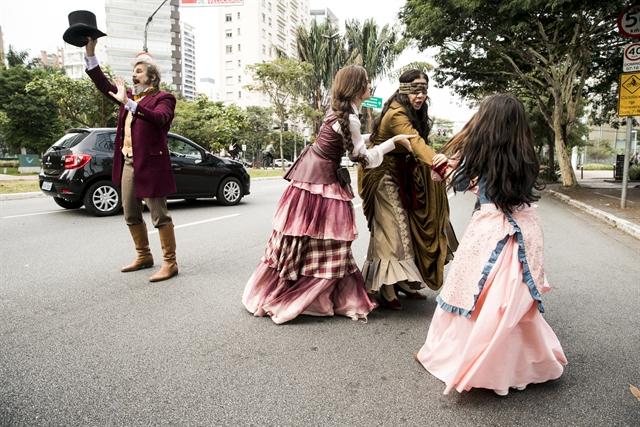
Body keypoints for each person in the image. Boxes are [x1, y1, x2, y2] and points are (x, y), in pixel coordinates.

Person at [415, 94, 567, 396]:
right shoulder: (525, 158)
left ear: (487, 124)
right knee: (512, 306)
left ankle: (475, 364)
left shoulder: (478, 156)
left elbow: (456, 183)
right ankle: (519, 365)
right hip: (522, 236)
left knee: (476, 299)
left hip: (490, 234)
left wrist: (449, 166)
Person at [242, 65, 415, 324]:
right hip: (322, 182)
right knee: (330, 241)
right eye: (367, 82)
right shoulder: (351, 118)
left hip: (308, 179)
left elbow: (352, 141)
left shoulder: (339, 113)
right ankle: (312, 297)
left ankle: (302, 290)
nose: (370, 86)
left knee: (303, 239)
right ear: (357, 88)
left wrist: (376, 137)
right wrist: (394, 142)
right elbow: (364, 159)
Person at [359, 69, 457, 309]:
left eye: (424, 89)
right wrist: (443, 167)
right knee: (393, 229)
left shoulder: (416, 112)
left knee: (408, 228)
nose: (420, 94)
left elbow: (421, 144)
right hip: (382, 175)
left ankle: (401, 282)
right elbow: (415, 142)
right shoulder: (396, 114)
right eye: (414, 89)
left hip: (404, 176)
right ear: (403, 90)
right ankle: (386, 287)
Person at [84, 37, 179, 282]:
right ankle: (144, 256)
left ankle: (170, 263)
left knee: (159, 215)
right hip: (127, 161)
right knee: (130, 213)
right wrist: (90, 51)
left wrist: (128, 103)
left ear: (152, 77)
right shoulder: (129, 99)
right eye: (133, 71)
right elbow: (103, 83)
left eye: (138, 71)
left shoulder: (164, 99)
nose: (133, 75)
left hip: (151, 164)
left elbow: (159, 119)